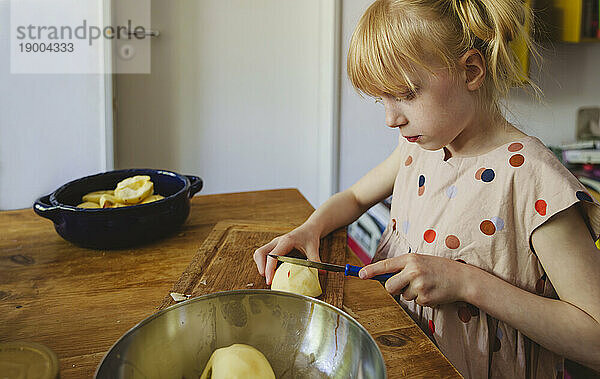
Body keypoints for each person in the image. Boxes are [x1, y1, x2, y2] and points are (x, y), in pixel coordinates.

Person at [253, 0, 600, 377]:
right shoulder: (416, 148)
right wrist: (311, 228)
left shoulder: (533, 179)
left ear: (470, 70)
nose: (390, 118)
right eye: (380, 99)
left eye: (404, 94)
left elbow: (594, 338)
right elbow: (354, 198)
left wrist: (467, 283)